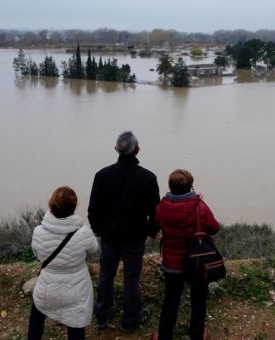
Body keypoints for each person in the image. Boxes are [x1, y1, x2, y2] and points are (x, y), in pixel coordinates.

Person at [88, 131, 160, 332]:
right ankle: (130, 321)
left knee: (106, 275)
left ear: (116, 150)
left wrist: (98, 229)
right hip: (135, 236)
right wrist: (152, 230)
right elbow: (155, 211)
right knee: (131, 278)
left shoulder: (102, 175)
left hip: (109, 235)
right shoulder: (148, 177)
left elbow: (93, 209)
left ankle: (102, 316)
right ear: (137, 150)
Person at [152, 169, 219, 340]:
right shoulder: (200, 207)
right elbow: (214, 228)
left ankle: (164, 336)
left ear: (170, 187)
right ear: (191, 186)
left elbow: (159, 225)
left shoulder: (161, 208)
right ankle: (197, 335)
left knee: (171, 300)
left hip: (171, 264)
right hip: (196, 263)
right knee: (198, 300)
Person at [28, 186, 99, 340]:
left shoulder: (38, 231)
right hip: (77, 289)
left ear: (51, 205)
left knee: (38, 311)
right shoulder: (83, 232)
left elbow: (37, 254)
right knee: (76, 324)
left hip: (47, 286)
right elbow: (94, 250)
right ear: (74, 206)